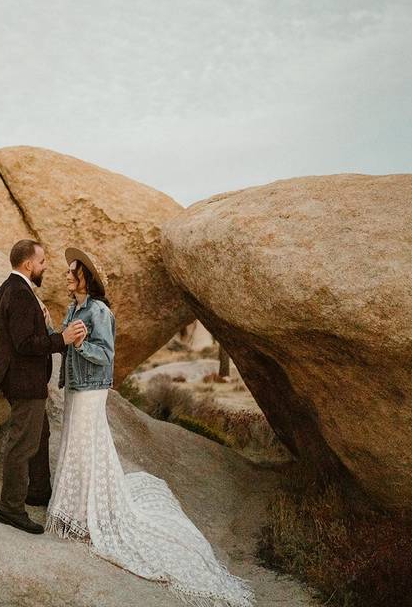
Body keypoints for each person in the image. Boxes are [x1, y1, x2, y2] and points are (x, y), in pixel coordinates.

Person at [46, 247, 256, 607]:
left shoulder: (99, 311)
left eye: (71, 272)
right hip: (77, 386)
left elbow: (106, 354)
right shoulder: (74, 309)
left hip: (93, 389)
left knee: (87, 442)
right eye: (66, 271)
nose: (66, 276)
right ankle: (74, 510)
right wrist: (65, 339)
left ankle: (89, 513)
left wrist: (79, 345)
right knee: (74, 443)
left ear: (85, 278)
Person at [0, 239, 86, 535]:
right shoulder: (19, 293)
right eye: (42, 262)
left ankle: (39, 492)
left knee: (39, 433)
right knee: (22, 445)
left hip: (22, 379)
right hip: (24, 382)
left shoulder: (11, 289)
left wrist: (44, 322)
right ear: (29, 264)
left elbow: (25, 334)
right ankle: (10, 509)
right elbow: (25, 344)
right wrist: (63, 338)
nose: (45, 267)